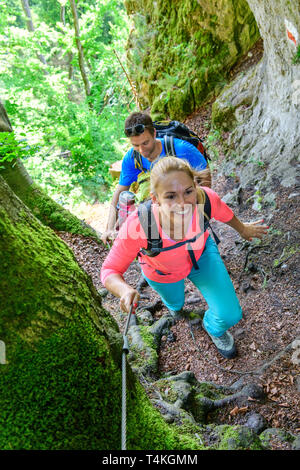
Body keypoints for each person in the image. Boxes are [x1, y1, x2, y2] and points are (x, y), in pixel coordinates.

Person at [100, 157, 269, 359]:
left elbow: (223, 212)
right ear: (156, 199)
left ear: (195, 186)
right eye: (171, 196)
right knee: (175, 303)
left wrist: (243, 229)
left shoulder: (204, 200)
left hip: (202, 256)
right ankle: (175, 308)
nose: (182, 203)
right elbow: (109, 270)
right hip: (162, 272)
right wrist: (125, 291)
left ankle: (213, 328)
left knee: (230, 314)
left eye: (188, 191)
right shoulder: (139, 224)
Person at [101, 111, 211, 245]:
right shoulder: (132, 158)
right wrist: (109, 228)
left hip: (184, 202)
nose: (142, 150)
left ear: (154, 133)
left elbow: (205, 179)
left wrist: (200, 212)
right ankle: (150, 249)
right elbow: (119, 193)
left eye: (145, 143)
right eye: (136, 145)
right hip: (157, 206)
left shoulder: (181, 149)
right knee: (126, 197)